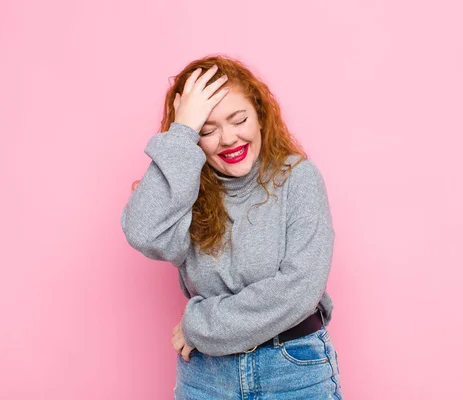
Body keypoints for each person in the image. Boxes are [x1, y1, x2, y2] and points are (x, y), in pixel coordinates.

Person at [121, 54, 343, 399]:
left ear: (259, 114)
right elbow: (143, 233)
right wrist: (181, 133)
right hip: (207, 376)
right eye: (206, 130)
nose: (227, 138)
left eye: (238, 119)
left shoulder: (298, 177)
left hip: (292, 369)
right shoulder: (186, 192)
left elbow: (300, 288)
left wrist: (201, 325)